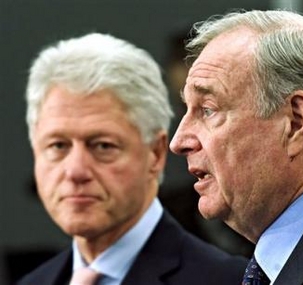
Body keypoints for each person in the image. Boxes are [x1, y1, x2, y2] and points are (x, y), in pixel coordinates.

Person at [17, 33, 247, 285]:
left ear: (156, 154)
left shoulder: (230, 280)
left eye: (103, 146)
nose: (75, 170)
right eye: (58, 145)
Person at [170, 9, 303, 284]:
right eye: (187, 109)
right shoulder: (286, 264)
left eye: (208, 110)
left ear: (294, 122)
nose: (179, 141)